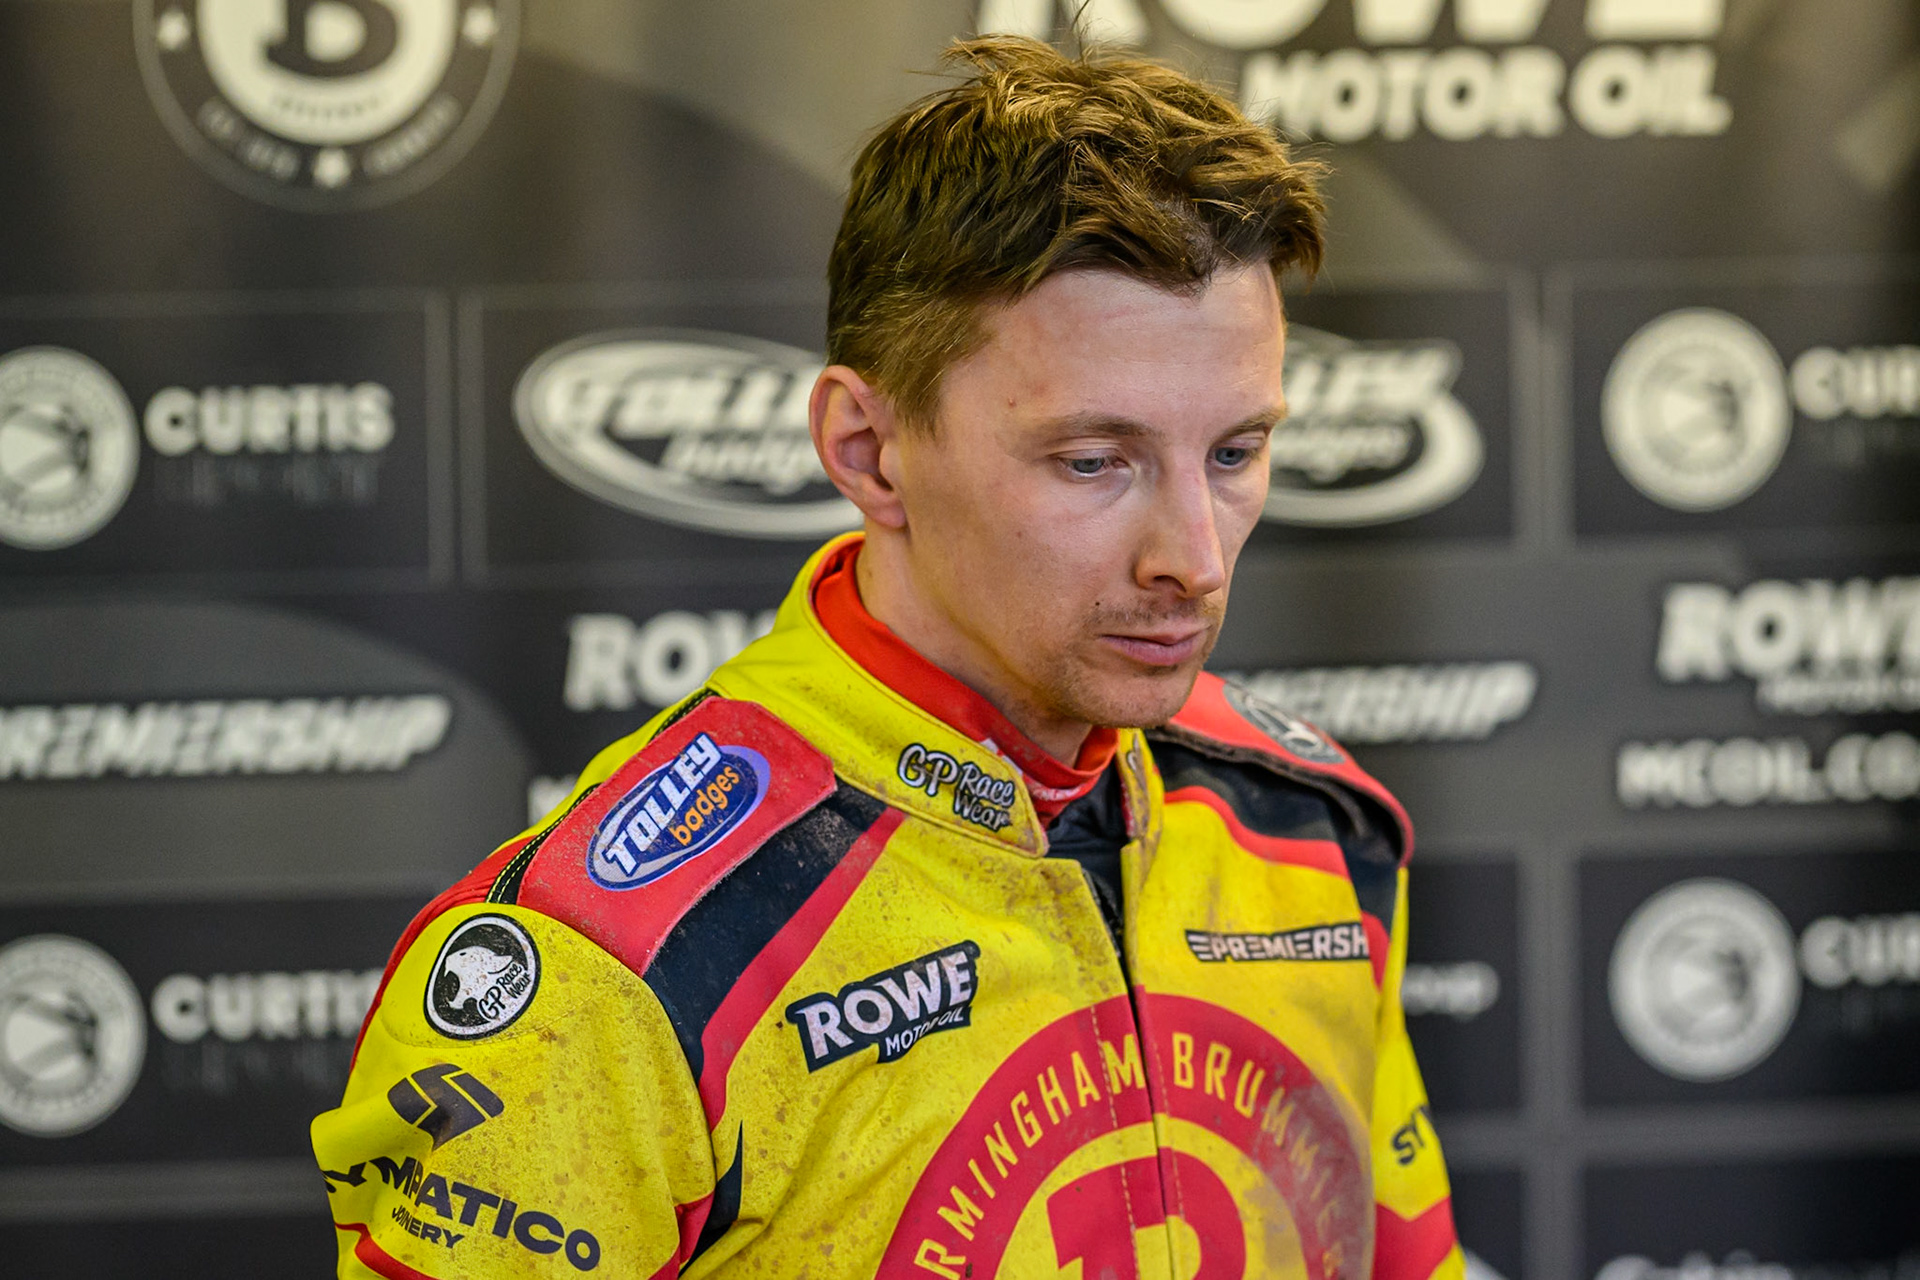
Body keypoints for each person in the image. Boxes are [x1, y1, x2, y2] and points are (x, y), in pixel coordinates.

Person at [313, 35, 1463, 1280]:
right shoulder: (620, 954)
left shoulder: (1304, 826)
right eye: (1094, 460)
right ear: (867, 449)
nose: (1194, 554)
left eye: (1234, 452)